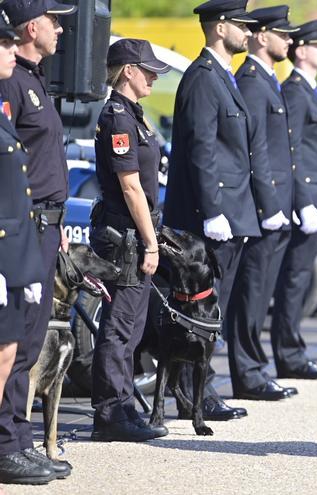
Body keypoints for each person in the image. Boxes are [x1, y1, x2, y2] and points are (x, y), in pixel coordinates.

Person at [163, 0, 272, 421]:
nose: (248, 31)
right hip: (213, 215)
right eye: (241, 25)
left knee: (215, 308)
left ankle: (201, 391)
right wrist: (212, 210)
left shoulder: (222, 77)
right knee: (202, 310)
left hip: (232, 210)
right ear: (220, 27)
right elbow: (202, 149)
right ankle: (195, 396)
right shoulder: (202, 78)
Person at [0, 0, 77, 483]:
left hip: (45, 226)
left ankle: (21, 439)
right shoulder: (10, 79)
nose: (63, 28)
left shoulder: (34, 77)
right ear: (33, 26)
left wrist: (57, 218)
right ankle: (8, 443)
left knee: (28, 339)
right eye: (56, 20)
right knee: (15, 339)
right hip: (22, 226)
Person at [89, 38, 172, 442]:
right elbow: (131, 187)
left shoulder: (134, 115)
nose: (154, 76)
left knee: (132, 326)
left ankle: (122, 406)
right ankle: (109, 413)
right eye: (148, 69)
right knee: (119, 326)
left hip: (133, 232)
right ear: (127, 71)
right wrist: (151, 242)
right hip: (125, 234)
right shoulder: (119, 117)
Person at [226, 5, 296, 401]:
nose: (289, 41)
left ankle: (255, 367)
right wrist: (269, 204)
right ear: (262, 37)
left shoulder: (266, 80)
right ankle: (247, 373)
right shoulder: (252, 82)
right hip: (261, 204)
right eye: (282, 34)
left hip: (277, 203)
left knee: (261, 289)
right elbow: (255, 151)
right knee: (251, 292)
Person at [0, 16, 50, 485]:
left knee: (19, 345)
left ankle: (16, 439)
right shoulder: (10, 91)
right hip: (7, 243)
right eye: (3, 45)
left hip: (20, 238)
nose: (11, 53)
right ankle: (8, 443)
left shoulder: (17, 89)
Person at [273, 19, 317, 379]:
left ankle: (292, 349)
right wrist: (304, 201)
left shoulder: (307, 89)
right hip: (305, 198)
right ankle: (288, 353)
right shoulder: (295, 91)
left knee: (299, 279)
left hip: (316, 196)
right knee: (295, 279)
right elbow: (292, 150)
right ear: (301, 51)